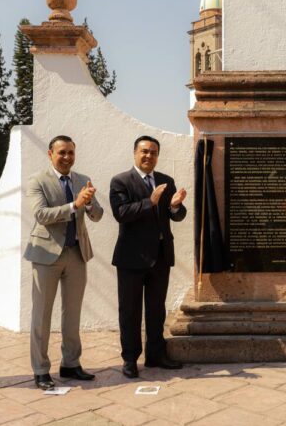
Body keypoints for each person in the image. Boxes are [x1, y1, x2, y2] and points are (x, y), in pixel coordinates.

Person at [24, 135, 104, 390]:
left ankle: (71, 364)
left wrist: (89, 204)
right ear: (50, 154)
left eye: (71, 152)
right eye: (62, 153)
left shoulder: (82, 180)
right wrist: (74, 205)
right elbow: (40, 214)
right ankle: (40, 369)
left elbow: (98, 215)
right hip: (46, 255)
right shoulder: (38, 180)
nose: (67, 157)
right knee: (42, 316)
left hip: (76, 254)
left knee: (72, 314)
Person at [109, 135, 187, 379]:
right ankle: (130, 359)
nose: (148, 156)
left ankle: (156, 354)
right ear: (135, 153)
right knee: (130, 311)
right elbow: (121, 213)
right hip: (131, 258)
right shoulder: (121, 181)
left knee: (156, 310)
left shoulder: (166, 181)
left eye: (153, 152)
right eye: (144, 151)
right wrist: (149, 202)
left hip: (160, 257)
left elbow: (176, 216)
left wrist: (174, 206)